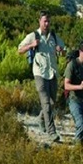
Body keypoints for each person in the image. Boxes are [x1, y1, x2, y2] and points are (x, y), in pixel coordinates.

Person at [18, 10, 66, 142]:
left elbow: (64, 51)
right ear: (39, 21)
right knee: (45, 102)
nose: (47, 23)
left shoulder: (54, 37)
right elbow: (19, 50)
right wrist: (31, 45)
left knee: (51, 103)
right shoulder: (33, 35)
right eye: (44, 21)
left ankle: (41, 119)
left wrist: (61, 51)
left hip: (53, 73)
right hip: (39, 73)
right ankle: (51, 131)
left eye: (48, 21)